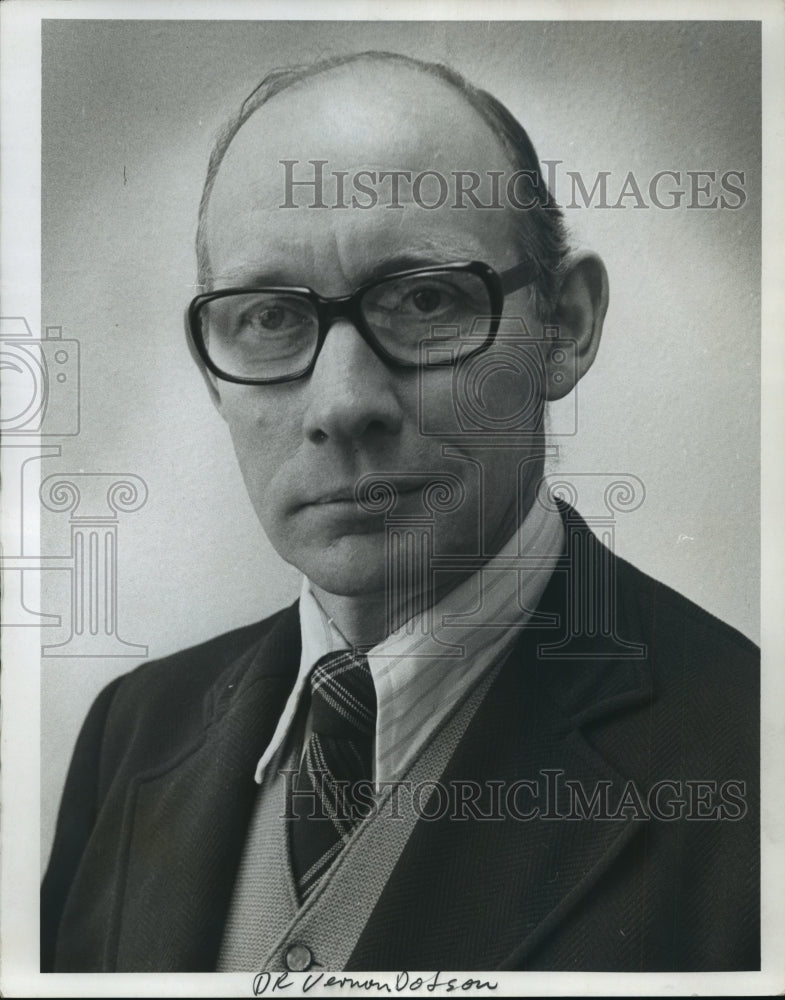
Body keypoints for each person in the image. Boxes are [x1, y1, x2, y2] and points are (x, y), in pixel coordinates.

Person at [41, 50, 759, 973]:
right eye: (268, 318)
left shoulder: (747, 759)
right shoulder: (132, 732)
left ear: (565, 327)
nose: (342, 404)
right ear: (212, 369)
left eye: (424, 300)